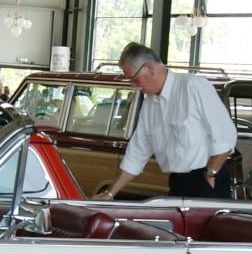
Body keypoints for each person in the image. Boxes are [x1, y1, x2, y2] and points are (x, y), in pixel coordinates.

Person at [96, 42, 236, 201]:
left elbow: (226, 137)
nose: (134, 86)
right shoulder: (149, 103)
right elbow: (137, 153)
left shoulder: (193, 87)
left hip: (207, 179)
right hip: (177, 182)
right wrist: (109, 194)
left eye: (133, 79)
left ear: (148, 68)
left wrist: (210, 174)